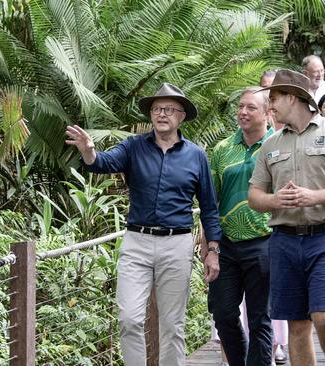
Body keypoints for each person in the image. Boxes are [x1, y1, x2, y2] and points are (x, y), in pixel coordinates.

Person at [65, 83, 222, 366]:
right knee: (129, 319)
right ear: (150, 114)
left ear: (181, 116)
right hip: (137, 243)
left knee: (172, 325)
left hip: (177, 244)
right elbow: (100, 163)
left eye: (169, 110)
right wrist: (88, 151)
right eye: (156, 109)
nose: (162, 114)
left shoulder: (195, 155)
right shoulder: (133, 146)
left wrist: (212, 250)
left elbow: (210, 207)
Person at [248, 70, 325, 365]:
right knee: (297, 324)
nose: (270, 106)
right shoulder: (271, 144)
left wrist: (316, 196)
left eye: (274, 98)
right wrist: (275, 200)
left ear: (293, 97)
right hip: (284, 241)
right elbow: (254, 197)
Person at [207, 87, 275, 366]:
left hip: (265, 240)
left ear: (268, 113)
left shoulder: (278, 145)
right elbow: (211, 203)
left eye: (251, 108)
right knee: (223, 314)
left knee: (261, 317)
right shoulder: (222, 150)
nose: (243, 112)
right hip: (226, 245)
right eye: (241, 107)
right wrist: (208, 248)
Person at [259, 70, 290, 364]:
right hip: (251, 229)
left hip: (282, 229)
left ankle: (278, 343)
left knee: (275, 289)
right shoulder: (267, 141)